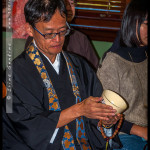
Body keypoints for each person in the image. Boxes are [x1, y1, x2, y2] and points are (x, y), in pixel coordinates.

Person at [2, 0, 144, 150]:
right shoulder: (16, 74)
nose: (57, 39)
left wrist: (105, 121)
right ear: (30, 29)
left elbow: (95, 120)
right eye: (49, 33)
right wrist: (79, 109)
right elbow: (28, 128)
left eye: (63, 31)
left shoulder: (79, 66)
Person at [97, 0, 148, 149]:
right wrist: (142, 131)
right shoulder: (113, 61)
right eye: (147, 24)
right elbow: (104, 114)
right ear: (132, 23)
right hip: (125, 134)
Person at [24, 0, 100, 70]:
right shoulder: (37, 37)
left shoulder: (80, 38)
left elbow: (94, 72)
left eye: (72, 3)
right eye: (65, 3)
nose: (69, 8)